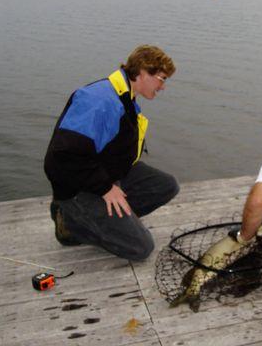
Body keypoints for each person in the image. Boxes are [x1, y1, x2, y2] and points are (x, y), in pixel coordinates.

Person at [44, 45, 179, 261]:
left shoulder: (126, 97)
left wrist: (111, 184)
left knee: (165, 185)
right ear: (143, 72)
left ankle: (110, 221)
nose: (163, 87)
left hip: (108, 175)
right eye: (162, 78)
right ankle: (70, 223)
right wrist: (105, 188)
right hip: (79, 187)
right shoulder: (98, 100)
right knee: (140, 248)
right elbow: (61, 157)